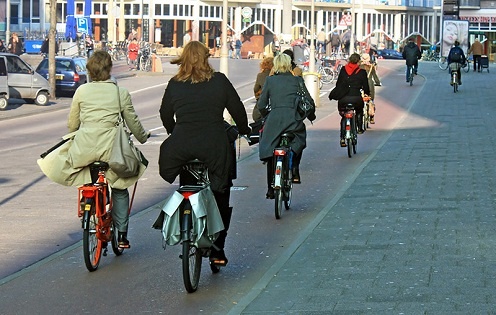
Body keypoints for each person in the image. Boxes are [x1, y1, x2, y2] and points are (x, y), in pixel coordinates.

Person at [37, 51, 150, 249]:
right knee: (120, 186)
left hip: (84, 149)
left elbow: (72, 123)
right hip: (111, 150)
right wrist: (143, 137)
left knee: (86, 174)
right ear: (109, 70)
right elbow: (132, 121)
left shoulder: (82, 91)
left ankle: (87, 204)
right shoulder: (119, 93)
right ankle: (122, 235)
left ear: (90, 70)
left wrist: (75, 133)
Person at [158, 41, 251, 267]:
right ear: (206, 58)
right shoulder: (219, 81)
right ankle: (218, 249)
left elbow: (165, 113)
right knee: (221, 192)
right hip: (214, 145)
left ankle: (185, 222)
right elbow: (237, 108)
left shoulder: (175, 83)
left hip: (182, 146)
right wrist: (244, 129)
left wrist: (175, 131)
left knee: (186, 181)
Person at [256, 54, 316, 198]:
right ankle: (294, 168)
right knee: (299, 139)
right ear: (289, 65)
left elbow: (262, 104)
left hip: (274, 121)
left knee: (270, 148)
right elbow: (308, 101)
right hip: (293, 120)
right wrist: (310, 115)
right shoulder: (297, 80)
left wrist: (267, 115)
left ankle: (270, 188)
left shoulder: (270, 81)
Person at [328, 53, 370, 147]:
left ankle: (342, 138)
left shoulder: (343, 69)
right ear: (358, 61)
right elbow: (366, 87)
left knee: (344, 116)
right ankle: (359, 128)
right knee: (359, 110)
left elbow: (338, 84)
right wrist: (367, 93)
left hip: (343, 98)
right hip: (356, 98)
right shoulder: (362, 72)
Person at [253, 56, 274, 121]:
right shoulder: (275, 76)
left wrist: (257, 95)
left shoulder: (260, 75)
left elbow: (256, 88)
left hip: (262, 100)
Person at [360, 53, 377, 124]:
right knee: (371, 100)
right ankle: (371, 117)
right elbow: (375, 77)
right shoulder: (371, 67)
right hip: (369, 85)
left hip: (361, 85)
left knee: (360, 99)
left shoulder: (359, 67)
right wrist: (378, 83)